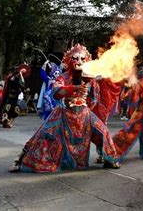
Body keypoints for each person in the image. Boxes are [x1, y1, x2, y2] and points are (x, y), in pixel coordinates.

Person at [9, 44, 120, 172]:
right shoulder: (64, 77)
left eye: (83, 59)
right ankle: (21, 160)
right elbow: (55, 91)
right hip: (65, 111)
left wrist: (86, 106)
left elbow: (95, 97)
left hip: (84, 113)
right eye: (75, 58)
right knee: (44, 133)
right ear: (69, 60)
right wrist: (73, 89)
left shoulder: (90, 78)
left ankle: (109, 158)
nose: (79, 62)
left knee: (103, 132)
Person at [0, 64, 30, 128]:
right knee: (9, 109)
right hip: (10, 97)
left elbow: (22, 86)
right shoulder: (12, 78)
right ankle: (6, 122)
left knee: (14, 110)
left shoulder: (14, 77)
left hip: (14, 97)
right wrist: (20, 74)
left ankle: (8, 122)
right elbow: (22, 84)